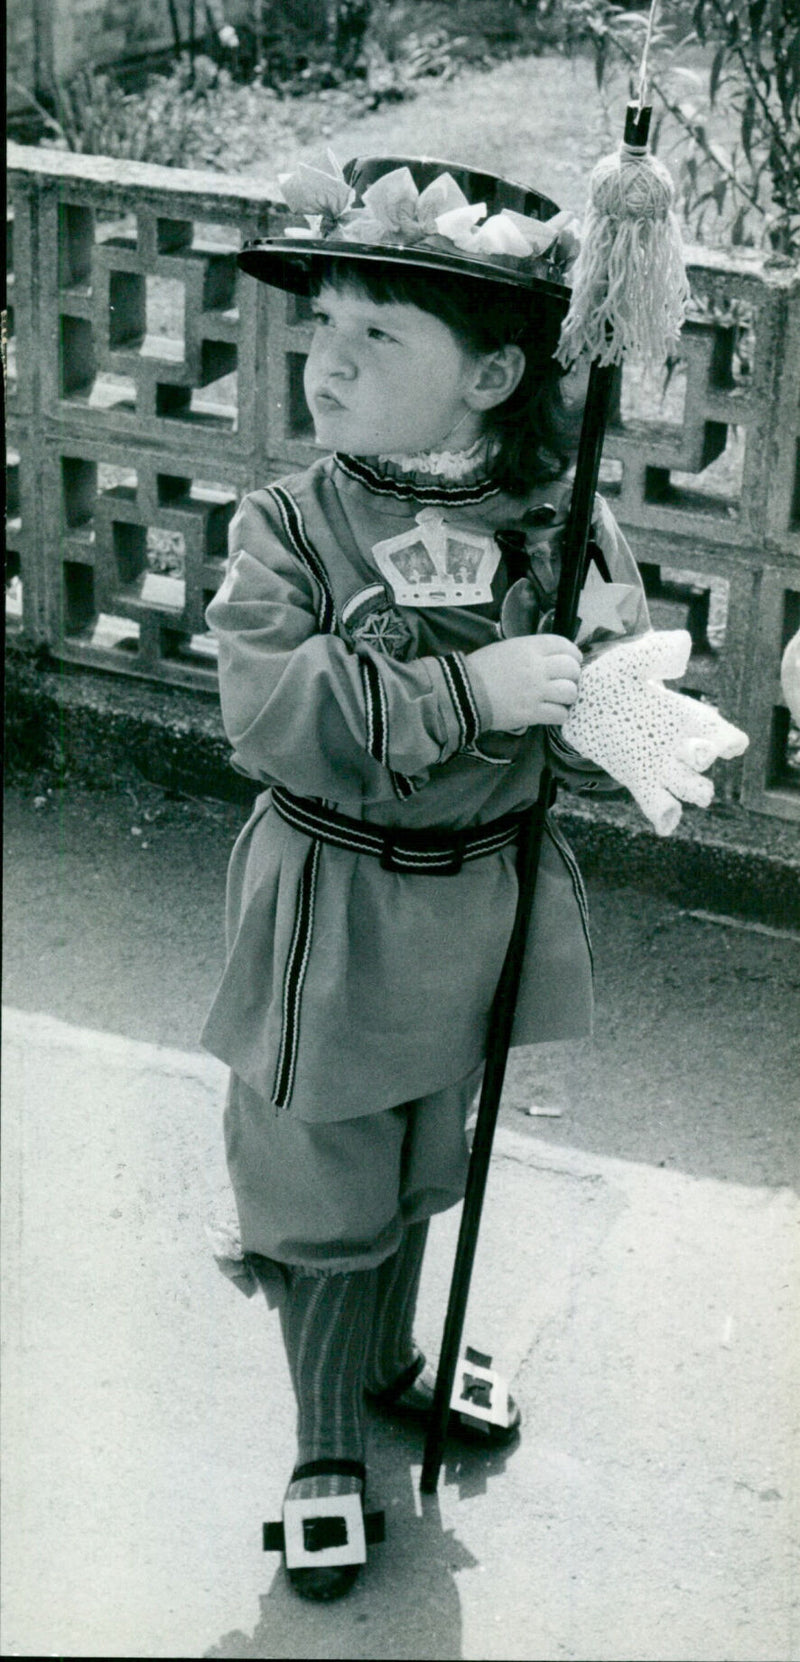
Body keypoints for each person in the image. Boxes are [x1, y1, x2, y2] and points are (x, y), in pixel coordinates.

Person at [201, 154, 650, 1601]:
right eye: (322, 326)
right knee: (322, 1165)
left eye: (379, 335)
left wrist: (611, 695)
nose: (327, 364)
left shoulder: (553, 522)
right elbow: (272, 704)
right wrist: (470, 692)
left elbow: (605, 685)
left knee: (417, 1152)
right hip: (333, 914)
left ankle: (391, 1357)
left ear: (494, 375)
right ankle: (326, 1443)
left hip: (472, 904)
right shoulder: (292, 526)